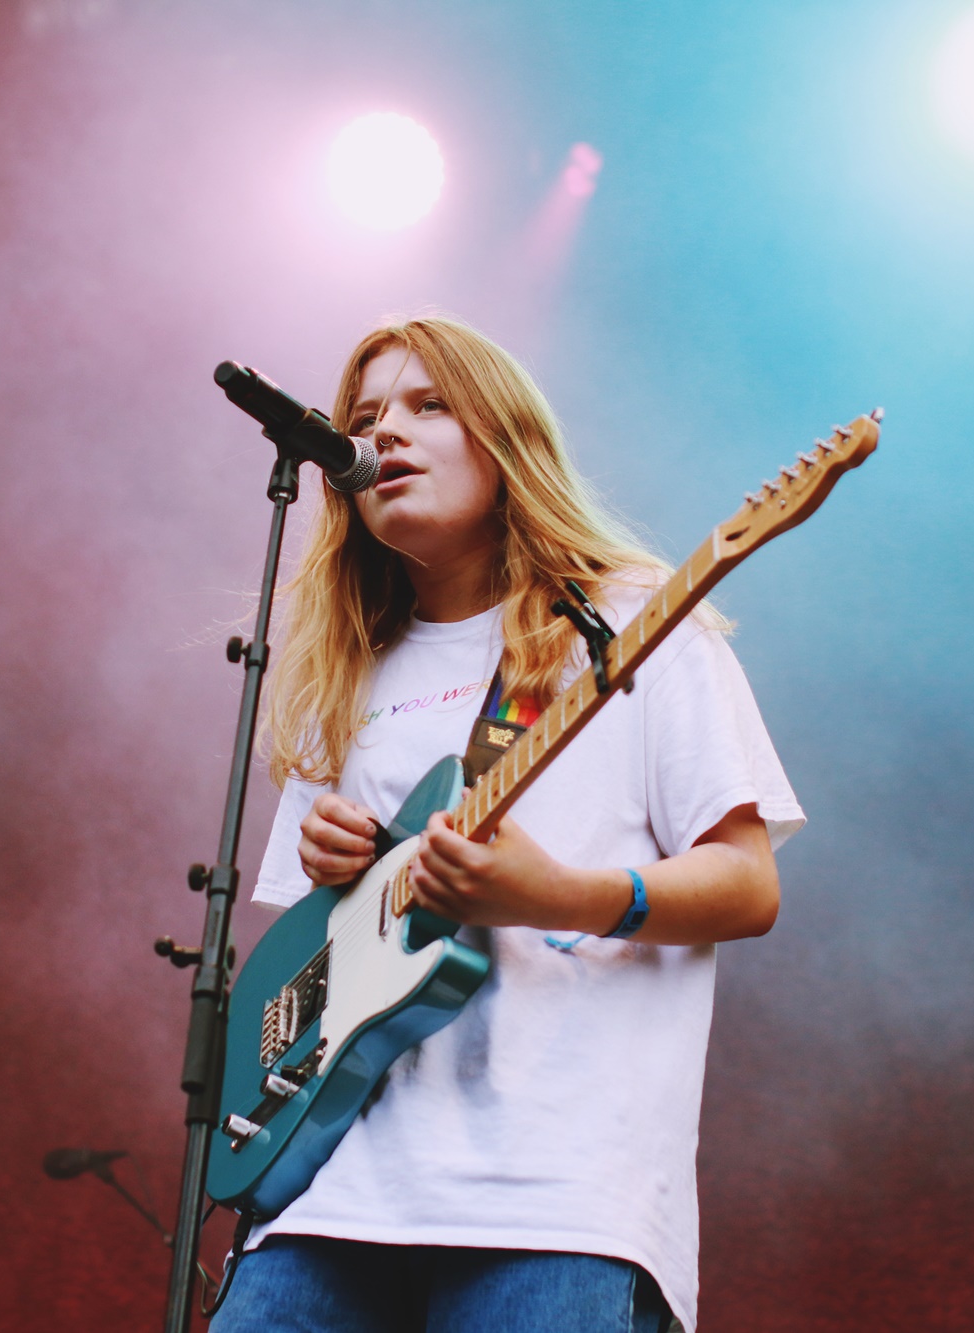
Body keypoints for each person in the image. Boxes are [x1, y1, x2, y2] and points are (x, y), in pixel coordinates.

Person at [213, 317, 804, 1333]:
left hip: (555, 1202)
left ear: (505, 440)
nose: (384, 432)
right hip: (328, 1196)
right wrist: (335, 872)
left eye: (426, 405)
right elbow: (313, 962)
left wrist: (555, 894)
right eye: (362, 418)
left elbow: (748, 886)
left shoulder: (629, 625)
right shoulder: (347, 674)